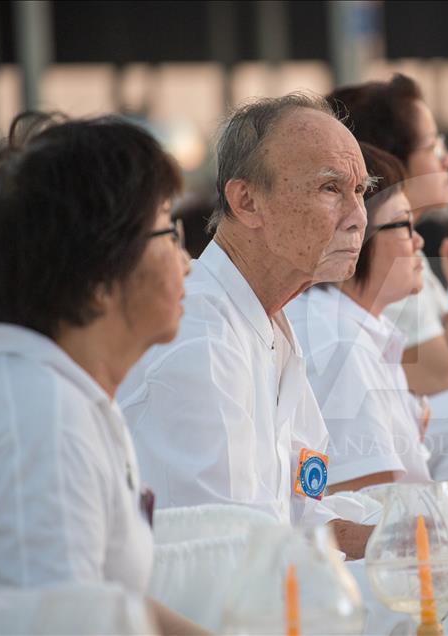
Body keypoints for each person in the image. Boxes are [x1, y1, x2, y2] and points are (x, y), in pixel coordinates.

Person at [118, 93, 373, 558]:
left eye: (361, 191)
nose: (358, 219)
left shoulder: (267, 324)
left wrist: (403, 536)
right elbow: (227, 558)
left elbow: (299, 511)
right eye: (331, 189)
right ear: (247, 201)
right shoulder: (200, 337)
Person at [0, 113, 203, 634]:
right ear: (100, 276)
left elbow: (109, 601)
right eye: (169, 230)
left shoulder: (67, 396)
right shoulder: (40, 422)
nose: (187, 260)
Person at [328, 74, 448, 396]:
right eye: (434, 147)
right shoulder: (376, 252)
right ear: (392, 162)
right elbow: (437, 375)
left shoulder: (407, 247)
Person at [288, 144, 432, 492]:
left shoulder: (348, 328)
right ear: (356, 238)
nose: (418, 241)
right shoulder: (340, 344)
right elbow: (372, 510)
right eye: (403, 225)